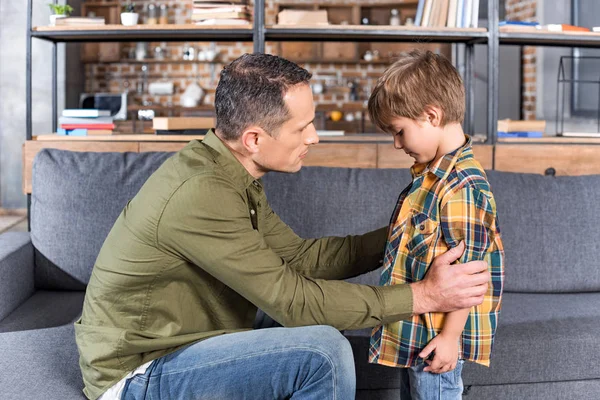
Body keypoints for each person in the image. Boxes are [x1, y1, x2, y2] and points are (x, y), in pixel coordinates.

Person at [74, 53, 491, 400]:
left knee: (314, 321)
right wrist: (421, 295)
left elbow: (299, 259)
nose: (314, 138)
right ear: (254, 138)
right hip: (139, 374)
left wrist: (404, 238)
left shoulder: (228, 171)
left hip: (190, 338)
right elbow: (294, 299)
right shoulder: (201, 193)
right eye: (302, 127)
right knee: (323, 351)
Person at [367, 49, 505, 399]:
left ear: (431, 115)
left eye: (399, 132)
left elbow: (469, 274)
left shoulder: (462, 186)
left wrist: (449, 338)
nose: (396, 144)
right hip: (415, 332)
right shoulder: (430, 179)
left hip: (436, 339)